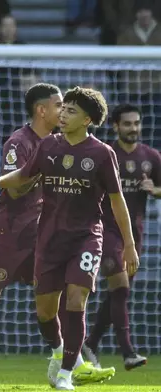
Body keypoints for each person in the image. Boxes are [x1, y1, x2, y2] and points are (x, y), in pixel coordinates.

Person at [0, 84, 112, 385]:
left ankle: (70, 360)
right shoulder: (19, 142)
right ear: (41, 110)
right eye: (59, 105)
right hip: (13, 230)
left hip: (44, 230)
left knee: (62, 295)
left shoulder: (63, 143)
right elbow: (17, 187)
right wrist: (45, 172)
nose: (63, 110)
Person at [0, 87, 139, 391]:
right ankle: (59, 354)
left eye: (71, 111)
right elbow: (24, 174)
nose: (63, 114)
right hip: (49, 239)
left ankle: (67, 372)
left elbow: (117, 202)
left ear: (87, 120)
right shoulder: (49, 146)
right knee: (45, 312)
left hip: (86, 238)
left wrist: (129, 245)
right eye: (62, 109)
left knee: (76, 300)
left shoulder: (102, 154)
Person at [82, 104, 159, 370]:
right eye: (127, 124)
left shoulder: (151, 156)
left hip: (133, 234)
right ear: (115, 126)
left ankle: (91, 342)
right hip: (105, 230)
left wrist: (156, 190)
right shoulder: (104, 154)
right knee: (121, 288)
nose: (133, 128)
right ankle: (128, 353)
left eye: (136, 123)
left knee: (118, 293)